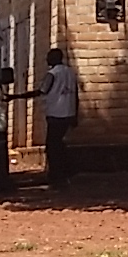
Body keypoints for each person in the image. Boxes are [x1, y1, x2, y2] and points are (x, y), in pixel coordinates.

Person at [38, 47, 81, 181]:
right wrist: (75, 114)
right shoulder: (70, 72)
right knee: (59, 143)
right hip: (68, 113)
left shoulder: (52, 74)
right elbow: (76, 94)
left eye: (49, 57)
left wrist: (17, 96)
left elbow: (42, 91)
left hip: (55, 114)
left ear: (55, 58)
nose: (47, 60)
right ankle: (66, 170)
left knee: (52, 145)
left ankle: (57, 172)